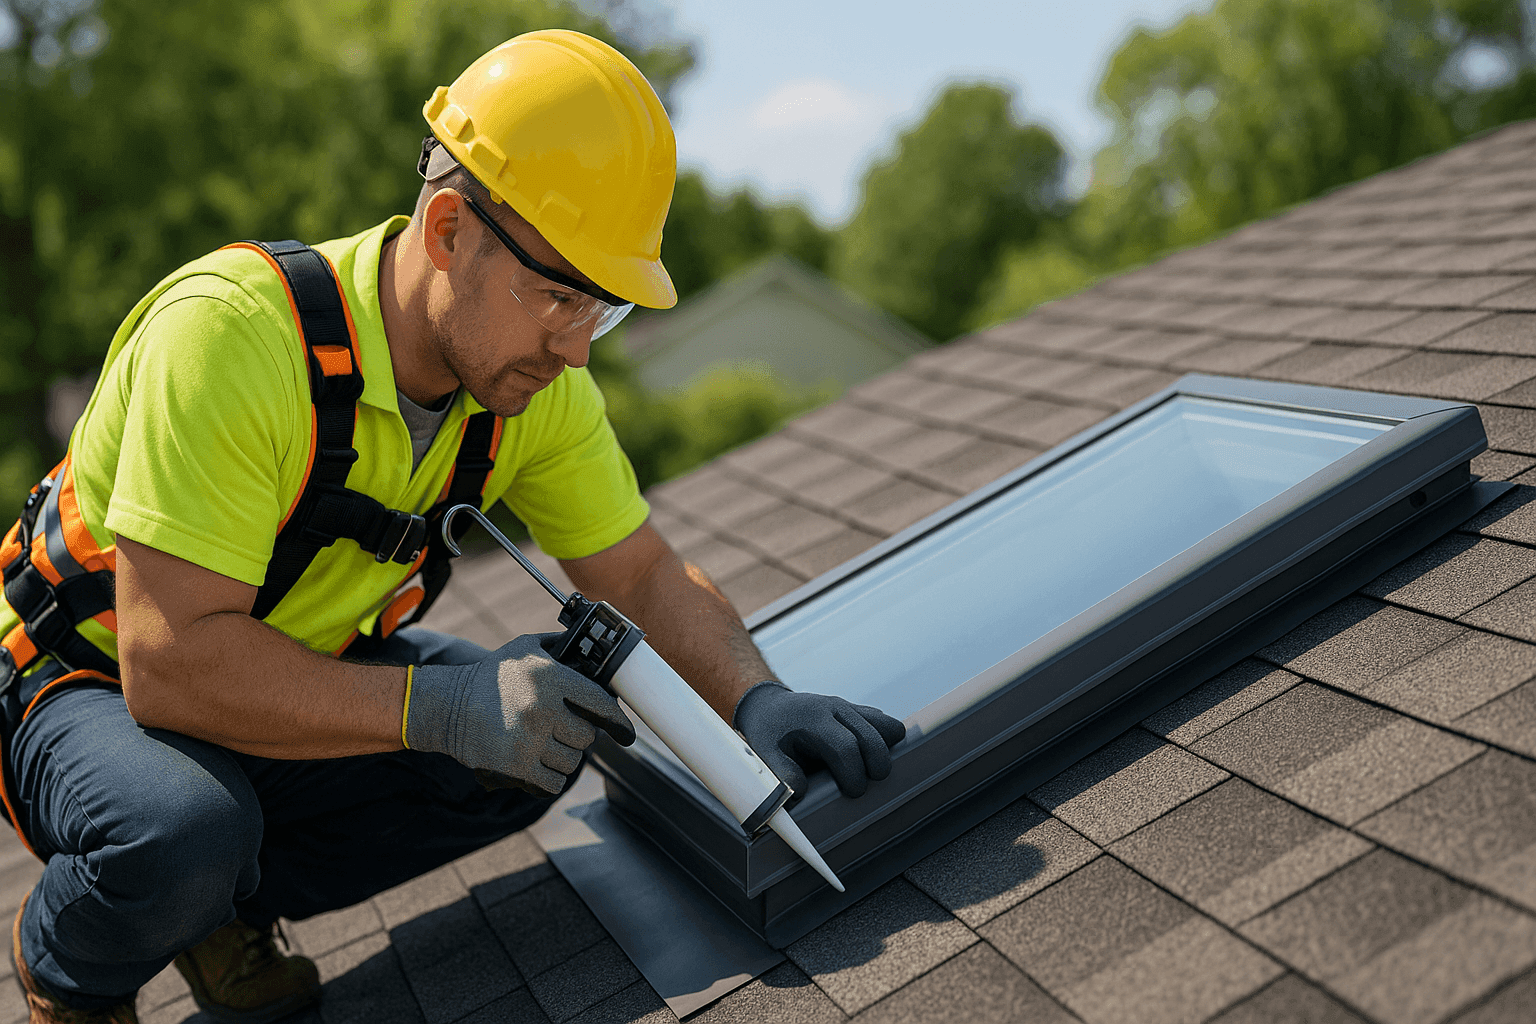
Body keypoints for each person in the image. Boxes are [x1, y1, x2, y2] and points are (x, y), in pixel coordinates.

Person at [0, 30, 904, 1024]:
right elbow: (168, 666)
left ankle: (215, 911)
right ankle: (73, 966)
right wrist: (439, 709)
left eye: (600, 310)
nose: (575, 348)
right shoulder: (231, 339)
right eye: (557, 295)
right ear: (446, 231)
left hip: (284, 665)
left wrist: (755, 698)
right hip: (83, 683)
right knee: (180, 832)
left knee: (544, 731)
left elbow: (639, 573)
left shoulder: (531, 387)